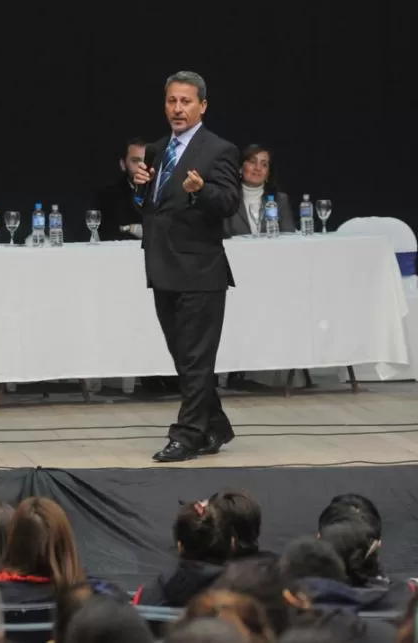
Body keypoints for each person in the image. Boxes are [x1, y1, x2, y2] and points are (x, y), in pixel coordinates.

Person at [133, 71, 240, 463]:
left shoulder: (219, 149)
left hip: (199, 269)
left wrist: (202, 192)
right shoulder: (159, 149)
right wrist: (139, 186)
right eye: (171, 101)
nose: (177, 109)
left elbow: (228, 202)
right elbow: (151, 209)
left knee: (196, 358)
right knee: (184, 358)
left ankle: (188, 435)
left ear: (202, 106)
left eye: (186, 102)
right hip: (162, 267)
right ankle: (216, 426)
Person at [225, 144, 295, 237]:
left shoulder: (280, 200)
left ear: (268, 174)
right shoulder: (226, 198)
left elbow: (289, 237)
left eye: (264, 164)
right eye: (252, 162)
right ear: (240, 168)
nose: (258, 168)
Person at [94, 137, 147, 241]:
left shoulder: (164, 192)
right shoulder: (108, 196)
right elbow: (109, 234)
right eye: (136, 161)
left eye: (146, 160)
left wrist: (130, 228)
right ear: (123, 165)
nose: (142, 166)